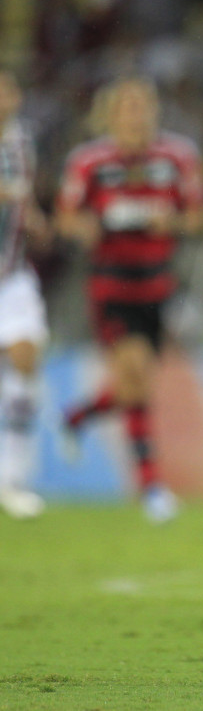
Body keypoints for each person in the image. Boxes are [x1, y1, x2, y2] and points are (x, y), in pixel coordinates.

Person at [55, 77, 203, 524]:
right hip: (111, 284)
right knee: (136, 371)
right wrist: (89, 227)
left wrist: (172, 223)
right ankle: (152, 487)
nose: (135, 116)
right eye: (126, 108)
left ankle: (78, 415)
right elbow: (67, 218)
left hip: (158, 286)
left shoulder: (178, 157)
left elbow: (196, 219)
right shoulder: (89, 161)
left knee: (132, 386)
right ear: (111, 116)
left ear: (154, 112)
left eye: (142, 107)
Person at [0, 70, 51, 519]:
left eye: (9, 88)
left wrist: (32, 215)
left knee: (25, 358)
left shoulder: (21, 140)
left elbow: (19, 196)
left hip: (12, 274)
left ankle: (12, 479)